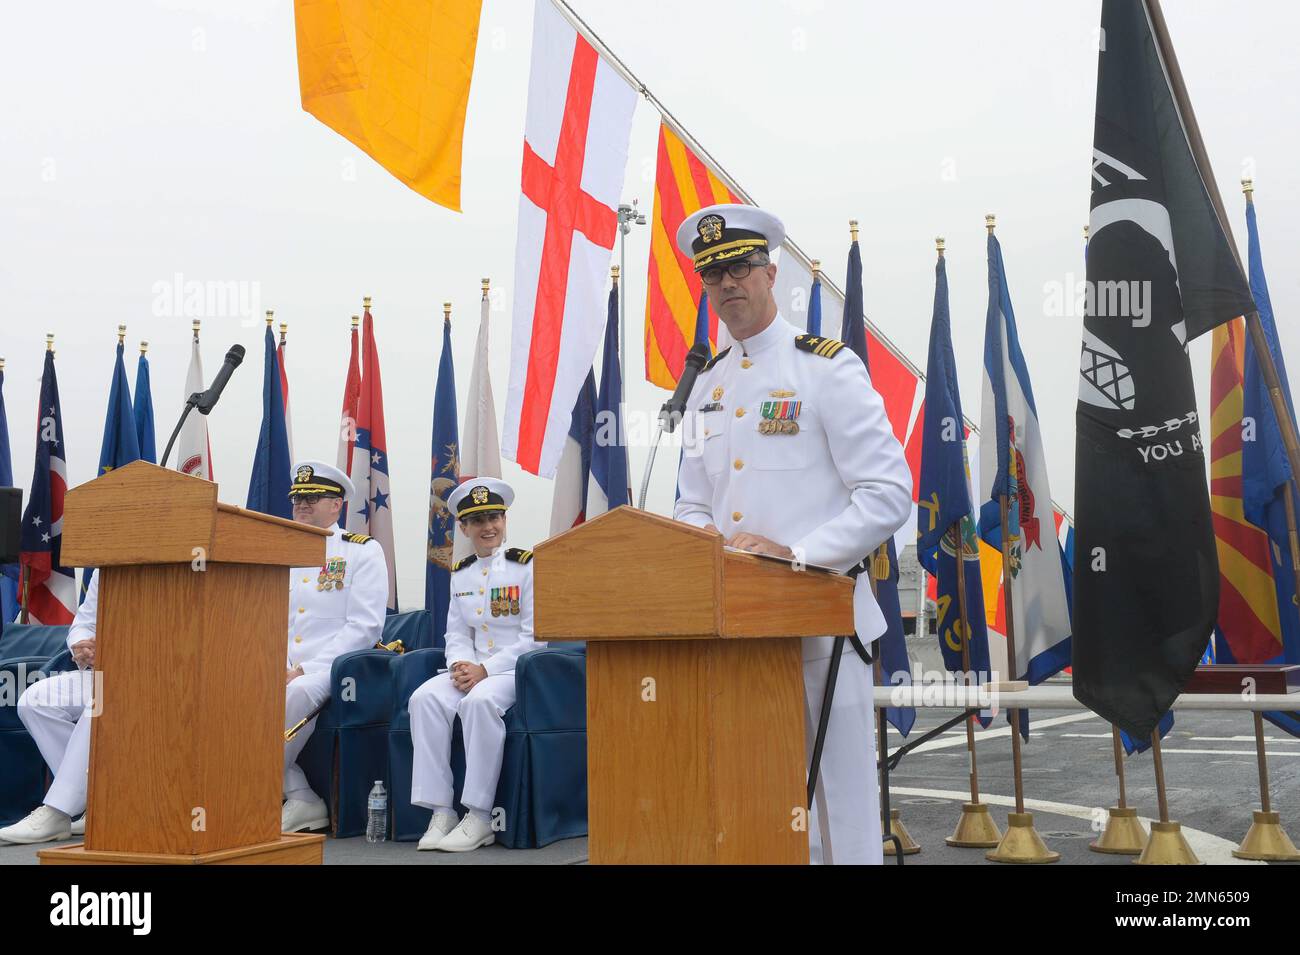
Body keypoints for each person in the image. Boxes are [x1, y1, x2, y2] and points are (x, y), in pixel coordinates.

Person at [672, 203, 912, 865]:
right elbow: (693, 503)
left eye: (740, 267)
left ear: (771, 271)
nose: (727, 284)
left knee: (841, 808)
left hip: (820, 624)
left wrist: (796, 556)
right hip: (737, 633)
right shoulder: (705, 387)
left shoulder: (826, 368)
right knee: (757, 802)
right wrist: (708, 554)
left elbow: (889, 493)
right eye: (712, 273)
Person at [408, 477, 541, 852]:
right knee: (425, 699)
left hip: (515, 671)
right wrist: (460, 665)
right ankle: (441, 810)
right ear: (464, 528)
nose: (488, 527)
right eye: (478, 520)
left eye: (495, 517)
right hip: (472, 669)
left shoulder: (527, 567)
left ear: (504, 520)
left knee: (479, 703)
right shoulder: (462, 572)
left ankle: (479, 815)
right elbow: (456, 633)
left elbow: (535, 637)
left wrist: (486, 670)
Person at [280, 460, 388, 833]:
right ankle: (302, 797)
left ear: (337, 505)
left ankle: (247, 791)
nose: (302, 504)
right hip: (286, 666)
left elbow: (365, 626)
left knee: (291, 694)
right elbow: (272, 622)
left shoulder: (362, 552)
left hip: (333, 669)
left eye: (313, 497)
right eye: (298, 498)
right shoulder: (283, 553)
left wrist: (303, 668)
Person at [0, 570, 101, 844]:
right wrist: (80, 643)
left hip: (157, 675)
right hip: (104, 672)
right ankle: (101, 803)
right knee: (35, 701)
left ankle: (57, 810)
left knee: (101, 702)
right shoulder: (109, 565)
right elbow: (84, 623)